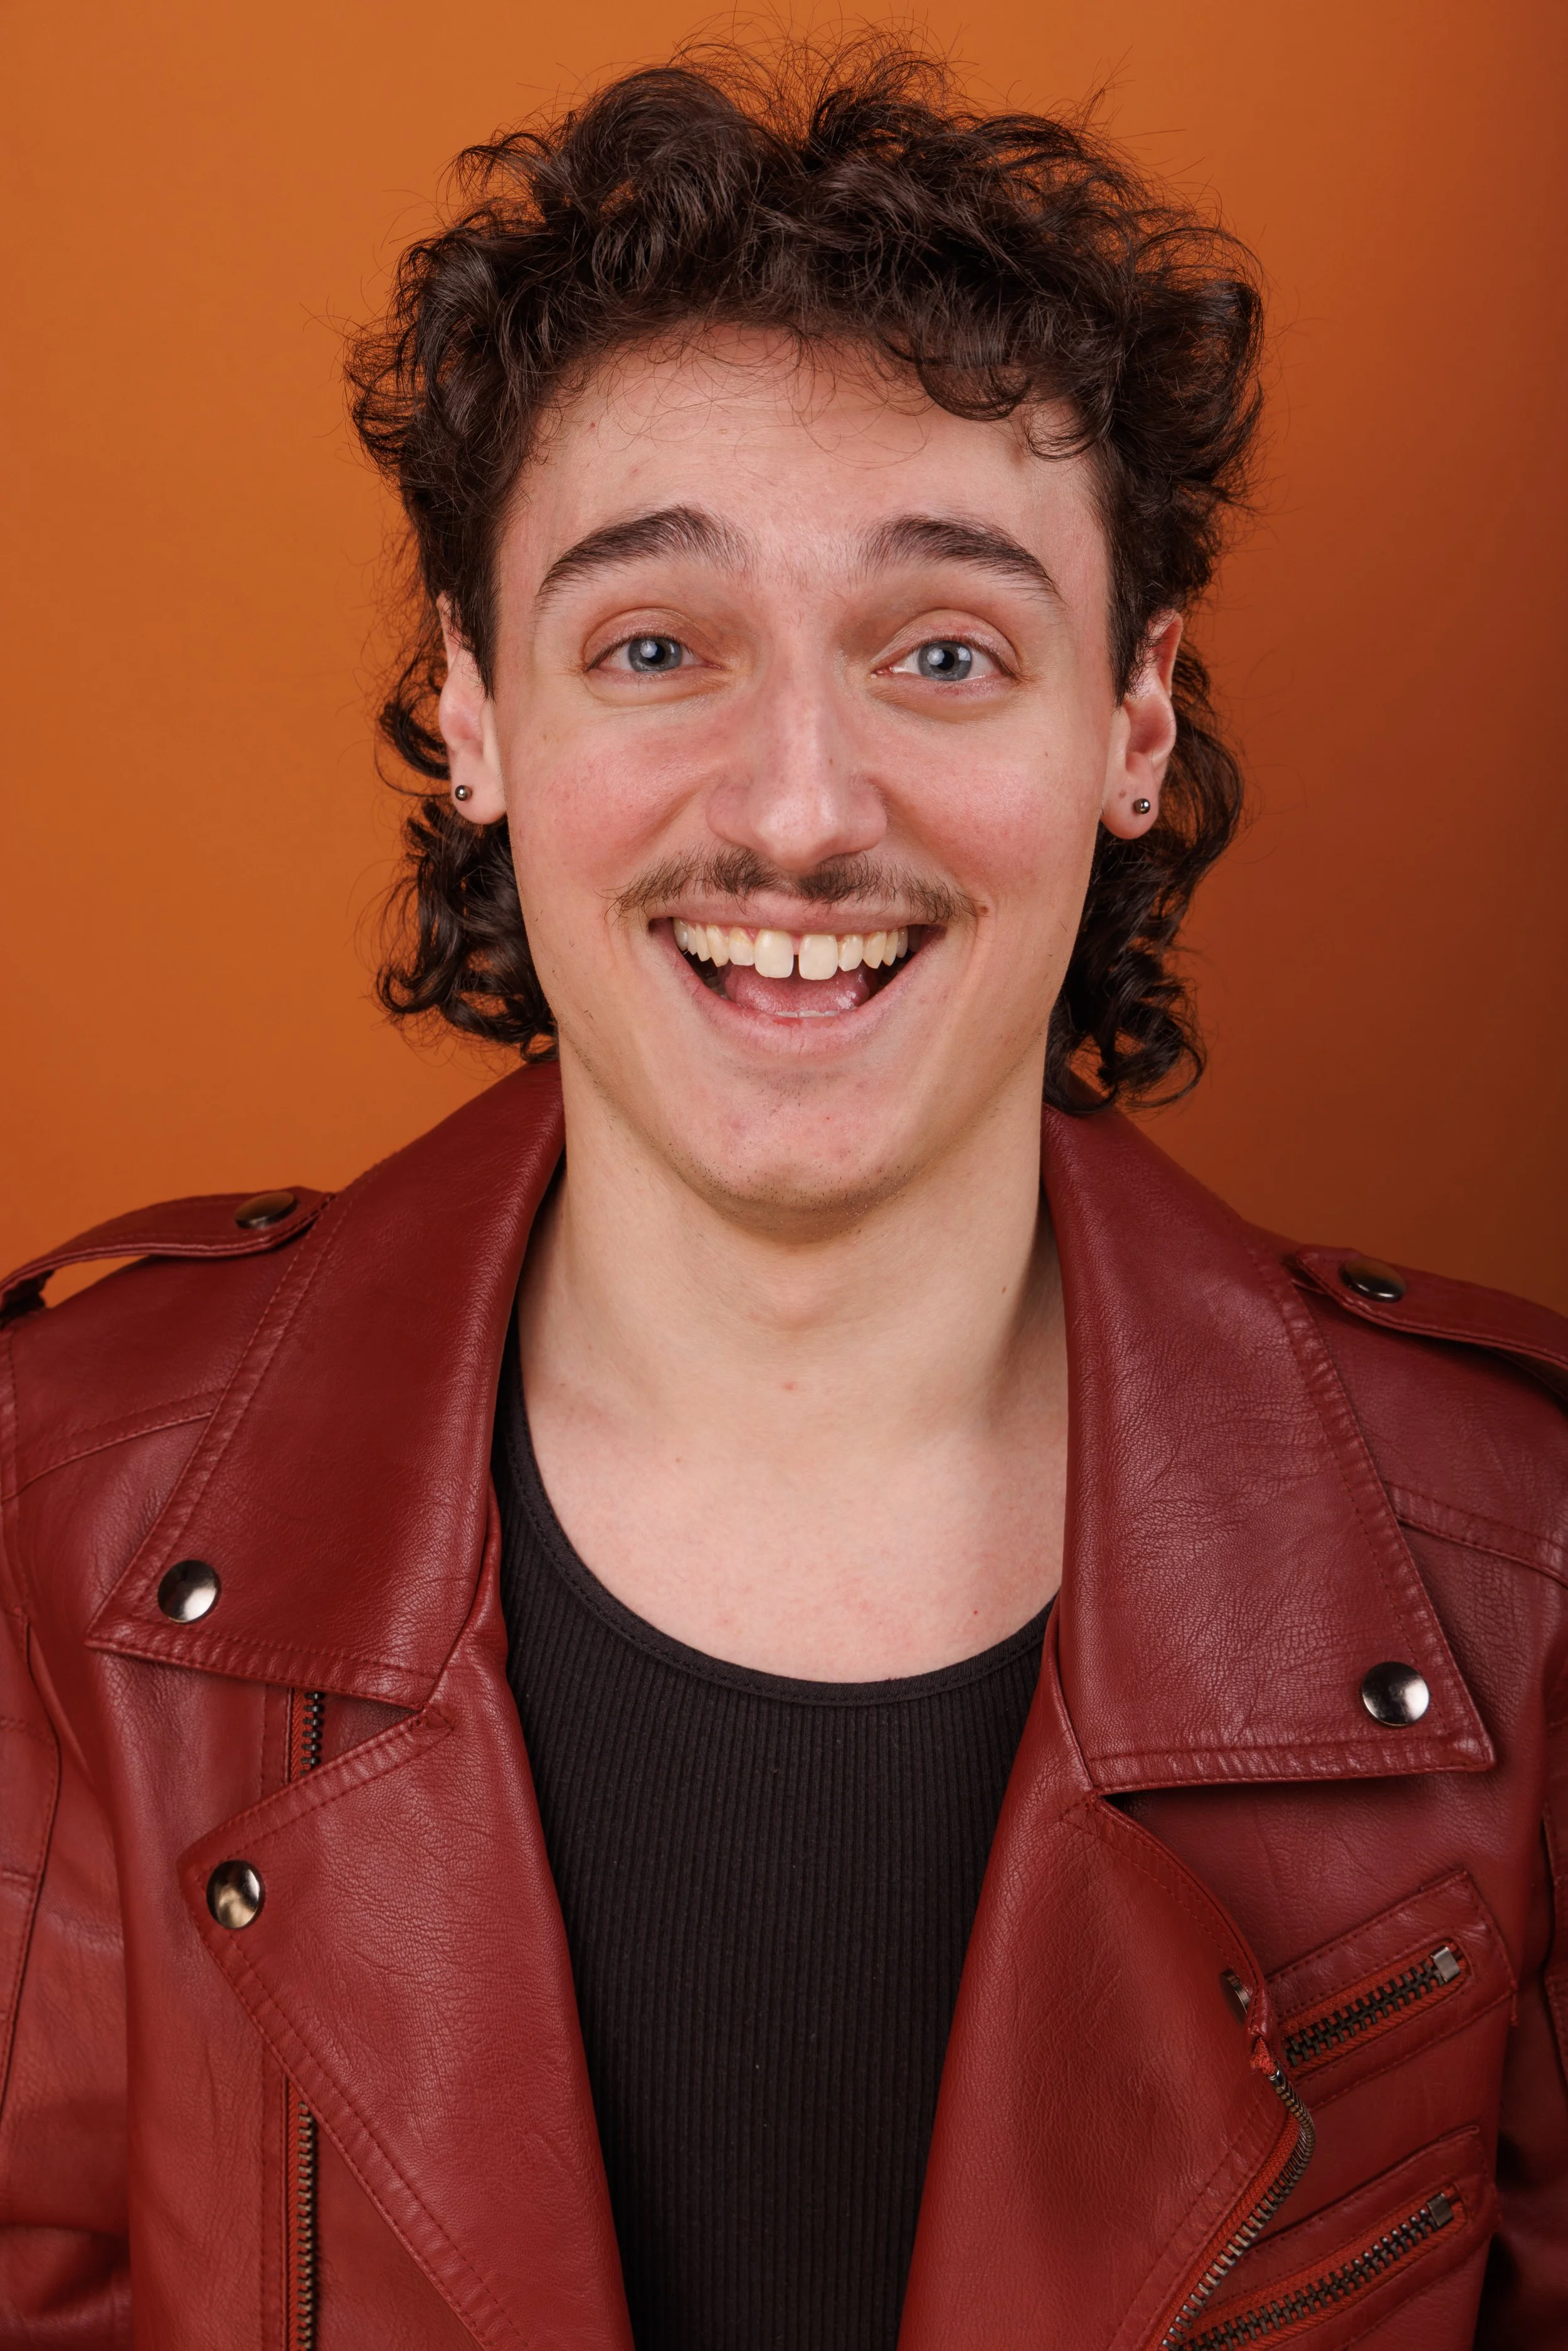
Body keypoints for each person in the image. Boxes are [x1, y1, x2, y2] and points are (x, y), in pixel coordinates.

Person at [1, 40, 1563, 2351]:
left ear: (1131, 722)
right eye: (654, 646)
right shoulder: (56, 1507)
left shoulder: (1527, 1562)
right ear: (474, 710)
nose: (803, 808)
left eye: (942, 651)